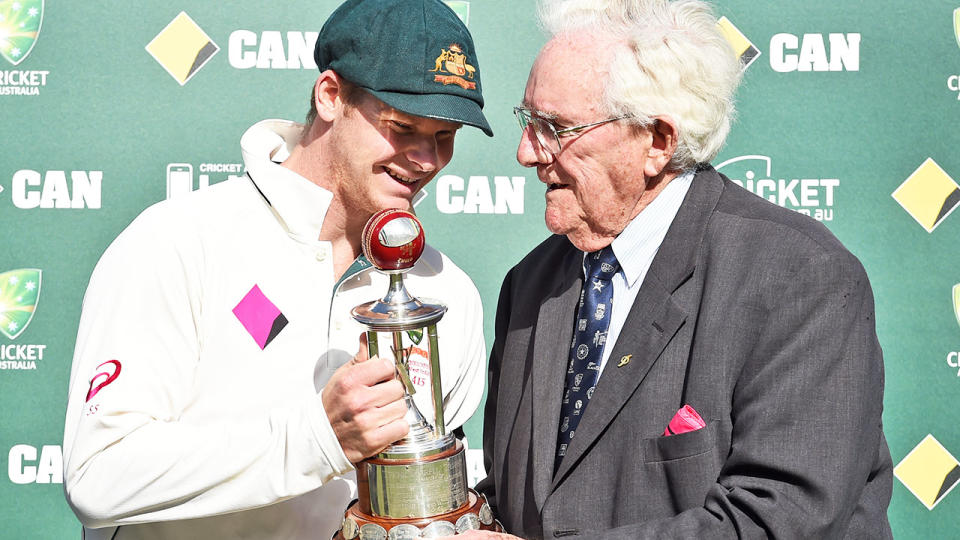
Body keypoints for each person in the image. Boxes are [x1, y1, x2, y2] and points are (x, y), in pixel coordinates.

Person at [61, 1, 490, 539]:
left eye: (445, 136)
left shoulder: (445, 291)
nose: (426, 159)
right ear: (331, 97)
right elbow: (98, 477)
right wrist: (316, 439)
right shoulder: (179, 242)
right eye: (402, 127)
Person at [465, 0, 893, 538]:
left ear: (657, 142)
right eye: (528, 121)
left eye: (555, 127)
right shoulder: (530, 286)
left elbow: (777, 521)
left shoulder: (801, 278)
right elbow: (518, 498)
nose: (527, 153)